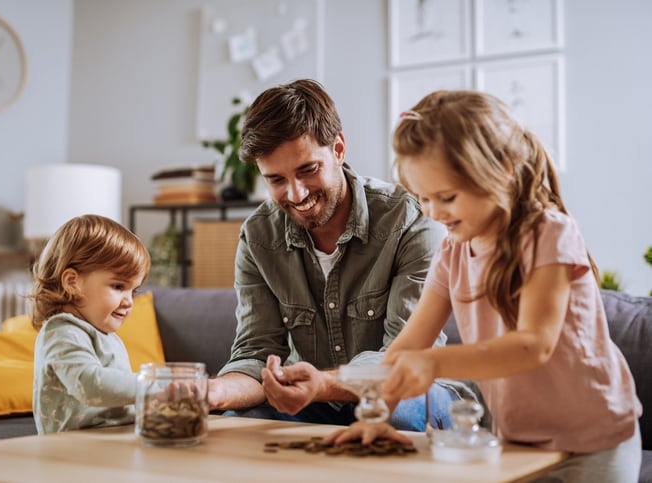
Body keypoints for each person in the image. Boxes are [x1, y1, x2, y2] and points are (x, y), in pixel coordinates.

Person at [326, 90, 642, 482]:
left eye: (447, 197)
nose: (433, 212)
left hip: (596, 440)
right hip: (517, 441)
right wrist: (377, 414)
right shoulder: (451, 253)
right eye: (423, 198)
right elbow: (408, 347)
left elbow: (534, 344)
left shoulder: (548, 233)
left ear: (501, 169)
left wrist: (435, 363)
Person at [209, 79, 474, 431]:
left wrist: (320, 384)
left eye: (308, 170)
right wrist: (212, 392)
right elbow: (255, 354)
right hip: (312, 399)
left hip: (407, 390)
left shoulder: (411, 221)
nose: (296, 193)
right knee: (233, 424)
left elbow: (405, 357)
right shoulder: (259, 237)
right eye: (276, 180)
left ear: (338, 148)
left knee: (397, 411)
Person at [31, 214, 151, 434]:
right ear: (72, 282)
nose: (129, 301)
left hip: (111, 440)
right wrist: (155, 386)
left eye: (133, 291)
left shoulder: (107, 336)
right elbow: (90, 384)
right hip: (72, 450)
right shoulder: (61, 331)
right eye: (118, 286)